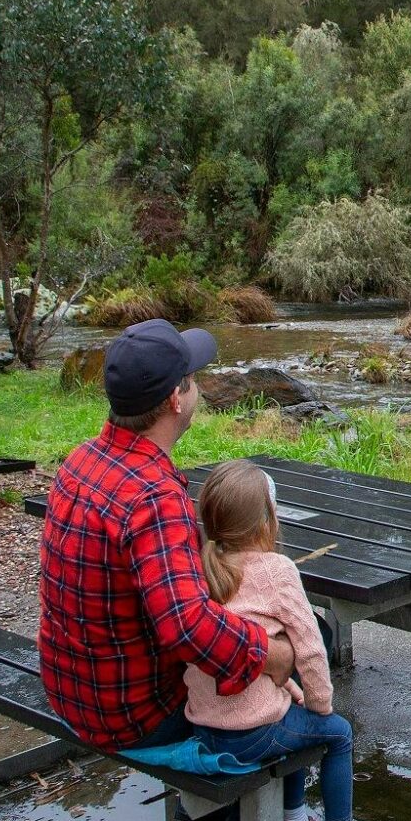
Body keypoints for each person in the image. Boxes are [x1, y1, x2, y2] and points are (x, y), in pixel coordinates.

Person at [37, 319, 297, 755]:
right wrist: (276, 657)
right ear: (176, 399)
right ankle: (229, 817)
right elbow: (187, 627)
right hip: (133, 715)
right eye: (192, 381)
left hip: (72, 692)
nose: (196, 391)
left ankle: (209, 816)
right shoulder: (153, 496)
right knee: (310, 640)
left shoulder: (79, 461)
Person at [187, 460, 374, 821]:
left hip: (202, 725)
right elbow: (310, 649)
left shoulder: (197, 569)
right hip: (249, 734)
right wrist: (322, 705)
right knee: (336, 734)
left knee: (290, 708)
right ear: (268, 520)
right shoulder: (277, 571)